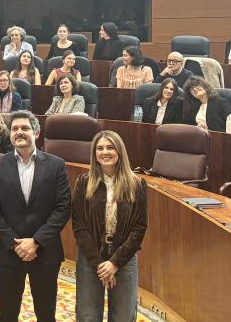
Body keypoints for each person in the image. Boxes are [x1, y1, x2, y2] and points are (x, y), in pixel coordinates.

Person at [0, 110, 71, 322]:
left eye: (25, 128)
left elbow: (63, 207)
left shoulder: (56, 165)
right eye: (15, 129)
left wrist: (36, 242)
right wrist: (16, 244)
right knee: (8, 314)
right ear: (10, 134)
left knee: (46, 313)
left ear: (36, 133)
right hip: (8, 252)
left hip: (45, 253)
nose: (19, 132)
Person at [71, 131, 148, 322]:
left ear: (119, 151)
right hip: (91, 255)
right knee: (87, 315)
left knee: (123, 316)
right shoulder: (84, 182)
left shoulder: (136, 184)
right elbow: (79, 225)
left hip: (124, 256)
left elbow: (140, 227)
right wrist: (99, 263)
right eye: (100, 148)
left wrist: (114, 263)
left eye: (110, 147)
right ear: (94, 153)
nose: (105, 152)